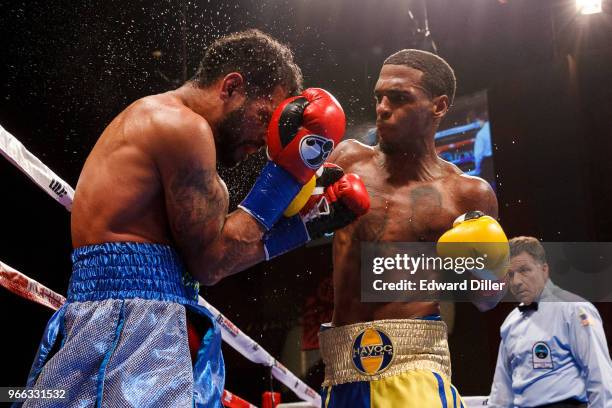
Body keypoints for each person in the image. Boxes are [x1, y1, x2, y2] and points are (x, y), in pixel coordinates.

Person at [19, 29, 369, 408]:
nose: (269, 139)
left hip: (128, 321)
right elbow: (212, 263)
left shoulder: (170, 125)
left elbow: (216, 254)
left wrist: (306, 226)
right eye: (266, 117)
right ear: (232, 86)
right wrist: (287, 175)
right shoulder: (182, 127)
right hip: (129, 329)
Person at [318, 49, 505, 407]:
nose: (383, 108)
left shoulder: (466, 194)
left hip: (413, 364)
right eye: (379, 97)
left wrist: (472, 263)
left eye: (399, 98)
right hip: (341, 365)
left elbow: (488, 298)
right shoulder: (347, 159)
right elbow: (290, 220)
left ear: (439, 106)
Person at [488, 236, 612, 407]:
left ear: (544, 270)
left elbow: (599, 374)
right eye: (510, 274)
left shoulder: (574, 309)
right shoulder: (511, 322)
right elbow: (501, 391)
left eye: (524, 270)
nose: (516, 281)